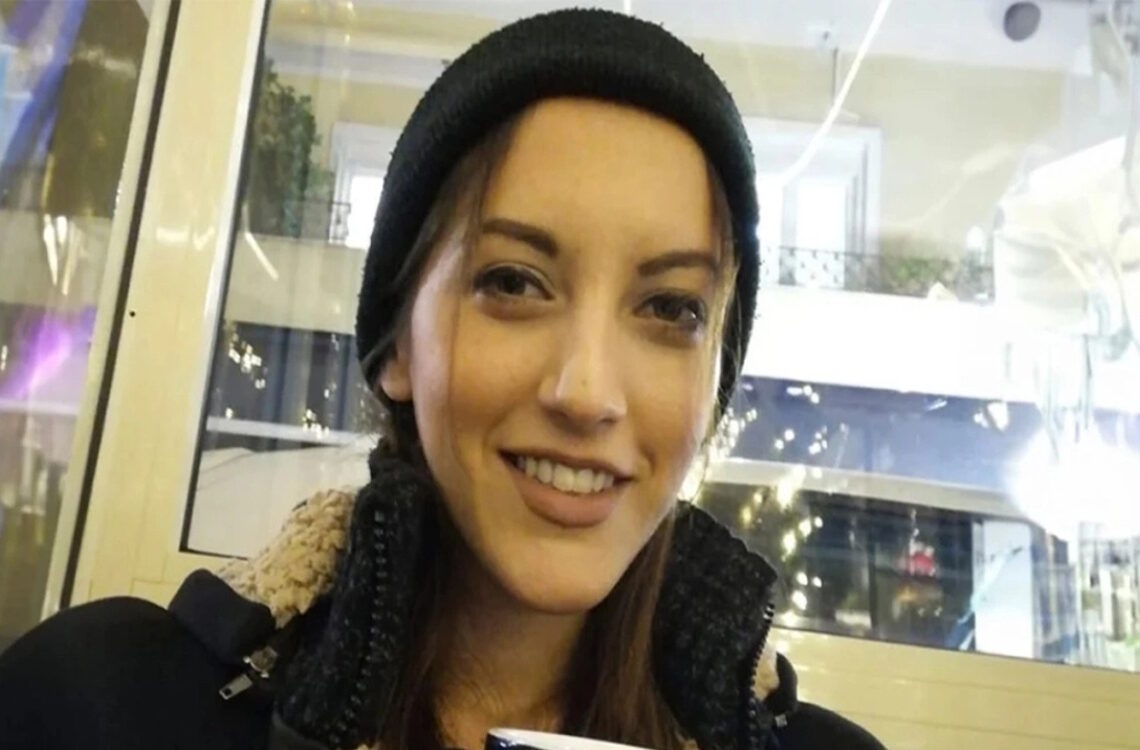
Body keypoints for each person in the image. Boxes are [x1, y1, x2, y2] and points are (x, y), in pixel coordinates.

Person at [0, 9, 885, 750]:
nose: (587, 394)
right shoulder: (103, 705)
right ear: (397, 345)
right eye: (514, 283)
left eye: (670, 308)